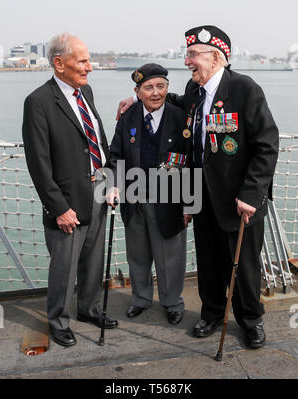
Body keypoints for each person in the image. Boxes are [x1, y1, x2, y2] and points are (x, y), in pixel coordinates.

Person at [116, 26, 279, 348]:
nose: (187, 61)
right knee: (209, 260)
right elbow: (174, 100)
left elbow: (267, 145)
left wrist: (250, 194)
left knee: (243, 264)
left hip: (238, 200)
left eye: (192, 55)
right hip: (202, 195)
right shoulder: (194, 91)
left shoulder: (245, 89)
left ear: (215, 57)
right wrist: (136, 100)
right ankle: (213, 312)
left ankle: (251, 319)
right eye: (187, 54)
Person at [22, 33, 118, 348]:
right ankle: (59, 321)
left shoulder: (85, 91)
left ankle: (88, 309)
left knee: (92, 260)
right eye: (83, 61)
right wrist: (58, 208)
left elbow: (98, 140)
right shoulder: (38, 102)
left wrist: (110, 179)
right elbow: (39, 163)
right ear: (59, 63)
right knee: (64, 267)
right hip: (67, 203)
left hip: (98, 191)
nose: (90, 67)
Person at [108, 63, 190, 325]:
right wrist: (112, 185)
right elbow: (116, 155)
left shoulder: (181, 117)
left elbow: (193, 162)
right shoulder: (128, 118)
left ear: (167, 88)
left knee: (170, 258)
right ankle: (140, 299)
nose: (155, 93)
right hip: (134, 198)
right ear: (137, 91)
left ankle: (172, 303)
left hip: (170, 201)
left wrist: (190, 204)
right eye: (148, 88)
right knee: (138, 255)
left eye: (161, 86)